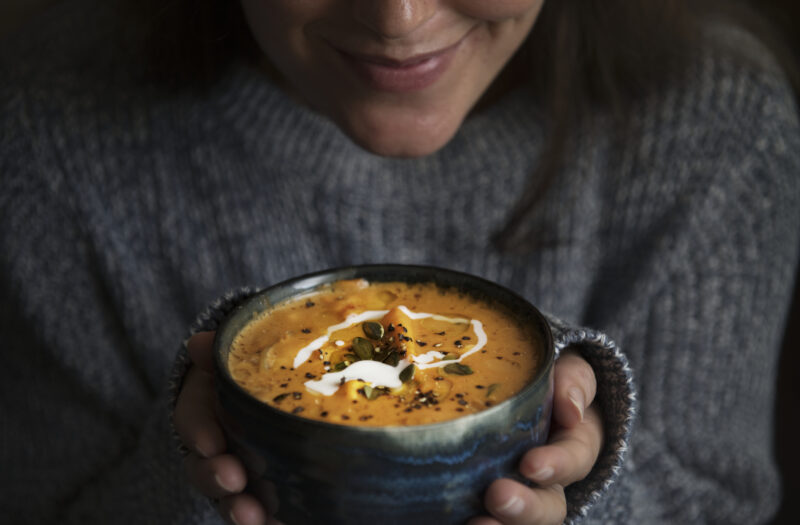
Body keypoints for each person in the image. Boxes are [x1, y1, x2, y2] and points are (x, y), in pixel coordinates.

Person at [1, 0, 797, 524]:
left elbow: (720, 510)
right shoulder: (44, 130)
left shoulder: (716, 126)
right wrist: (201, 466)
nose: (400, 18)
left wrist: (588, 487)